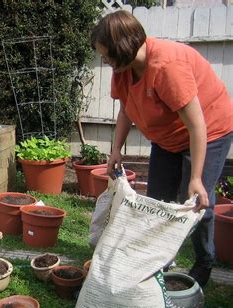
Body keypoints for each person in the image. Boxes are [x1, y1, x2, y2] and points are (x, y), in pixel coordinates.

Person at [90, 10, 232, 287]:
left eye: (107, 55)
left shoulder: (167, 66)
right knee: (157, 202)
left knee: (196, 203)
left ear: (124, 48)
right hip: (167, 139)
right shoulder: (122, 70)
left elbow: (197, 126)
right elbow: (125, 112)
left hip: (209, 131)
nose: (104, 61)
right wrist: (115, 149)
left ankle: (204, 262)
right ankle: (160, 259)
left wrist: (195, 178)